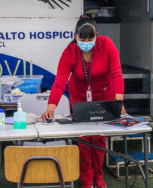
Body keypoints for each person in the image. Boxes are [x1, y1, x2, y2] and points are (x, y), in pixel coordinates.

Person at [41, 15, 124, 188]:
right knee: (85, 136)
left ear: (96, 35)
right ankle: (86, 178)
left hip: (104, 92)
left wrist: (119, 101)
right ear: (76, 35)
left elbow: (116, 73)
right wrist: (51, 106)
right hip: (79, 94)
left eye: (90, 39)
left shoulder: (106, 44)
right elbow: (60, 81)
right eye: (82, 38)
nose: (86, 42)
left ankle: (98, 176)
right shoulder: (70, 51)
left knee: (99, 136)